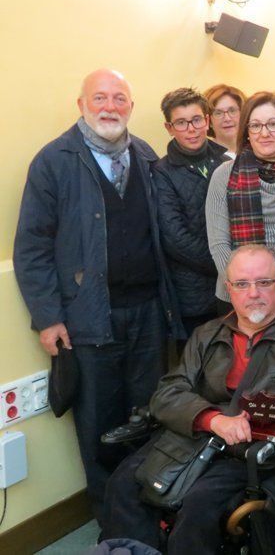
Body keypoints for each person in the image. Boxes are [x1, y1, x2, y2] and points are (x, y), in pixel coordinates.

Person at [13, 68, 181, 525]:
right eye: (100, 97)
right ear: (81, 104)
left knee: (148, 417)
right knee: (98, 427)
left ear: (131, 104)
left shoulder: (145, 154)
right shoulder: (54, 161)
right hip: (89, 320)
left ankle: (149, 514)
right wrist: (48, 318)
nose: (111, 107)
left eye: (120, 98)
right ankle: (112, 523)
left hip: (148, 315)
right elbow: (31, 248)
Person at [103, 244, 275, 554]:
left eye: (264, 282)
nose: (253, 293)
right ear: (229, 289)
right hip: (194, 437)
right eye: (242, 284)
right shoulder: (207, 334)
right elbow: (167, 393)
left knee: (198, 508)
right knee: (123, 484)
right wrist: (212, 420)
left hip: (254, 450)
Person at [206, 91, 275, 312]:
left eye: (273, 124)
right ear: (247, 132)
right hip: (234, 298)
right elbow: (219, 245)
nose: (264, 133)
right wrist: (243, 292)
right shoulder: (224, 175)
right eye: (255, 125)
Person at [153, 88, 230, 344]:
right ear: (169, 127)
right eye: (181, 123)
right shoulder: (162, 172)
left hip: (236, 287)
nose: (191, 129)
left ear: (207, 120)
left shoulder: (227, 161)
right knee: (200, 367)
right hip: (193, 295)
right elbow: (175, 238)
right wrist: (225, 264)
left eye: (197, 120)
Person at [204, 83, 246, 157]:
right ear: (209, 121)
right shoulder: (203, 157)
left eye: (232, 111)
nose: (227, 118)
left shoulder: (258, 150)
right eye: (218, 113)